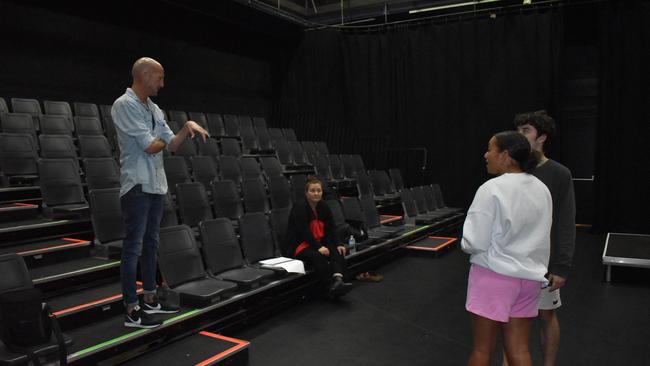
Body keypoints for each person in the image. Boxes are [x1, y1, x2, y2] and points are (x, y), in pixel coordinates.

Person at [112, 57, 210, 328]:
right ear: (144, 75)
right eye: (159, 77)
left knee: (151, 244)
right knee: (133, 248)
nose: (162, 84)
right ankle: (132, 309)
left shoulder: (154, 108)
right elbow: (150, 146)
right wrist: (170, 135)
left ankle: (151, 298)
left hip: (156, 185)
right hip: (137, 186)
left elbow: (172, 145)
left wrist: (186, 127)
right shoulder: (124, 105)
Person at [461, 131, 552, 366]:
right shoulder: (541, 189)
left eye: (490, 149)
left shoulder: (491, 189)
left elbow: (474, 242)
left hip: (493, 277)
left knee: (482, 351)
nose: (485, 155)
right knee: (520, 351)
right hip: (529, 279)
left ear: (506, 155)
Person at [506, 111, 576, 366]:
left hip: (543, 265)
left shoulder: (559, 174)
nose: (520, 135)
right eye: (518, 130)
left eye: (526, 130)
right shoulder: (510, 171)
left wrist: (561, 266)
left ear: (542, 138)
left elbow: (566, 223)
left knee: (546, 316)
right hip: (511, 262)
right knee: (511, 319)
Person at [284, 177, 353, 298]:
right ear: (306, 193)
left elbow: (331, 228)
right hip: (300, 244)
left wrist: (339, 243)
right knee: (317, 256)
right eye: (312, 190)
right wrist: (318, 247)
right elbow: (303, 232)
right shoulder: (299, 207)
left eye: (319, 190)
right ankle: (329, 287)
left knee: (337, 251)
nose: (316, 193)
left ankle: (338, 280)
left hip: (318, 241)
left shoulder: (324, 206)